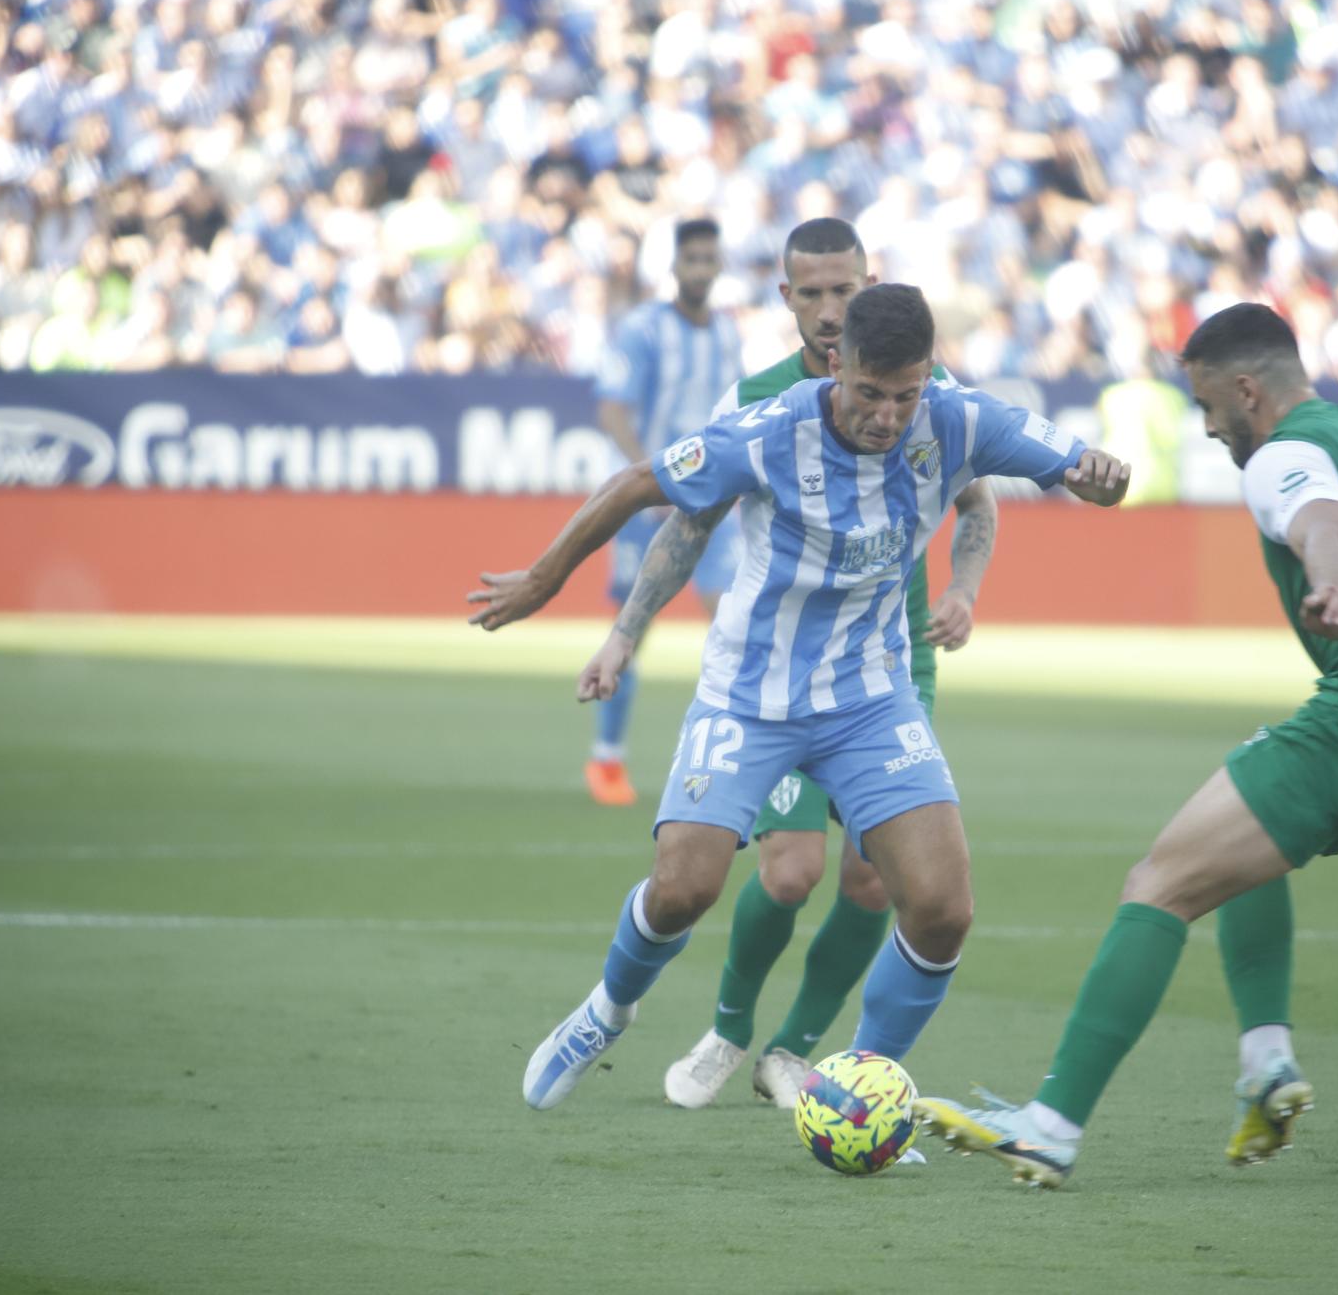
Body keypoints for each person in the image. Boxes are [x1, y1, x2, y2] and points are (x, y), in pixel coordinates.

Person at [467, 283, 1130, 1112]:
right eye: (869, 393)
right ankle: (607, 1009)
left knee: (941, 907)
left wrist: (1100, 476)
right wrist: (542, 578)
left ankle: (860, 1086)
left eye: (906, 395)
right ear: (837, 364)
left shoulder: (961, 418)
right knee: (684, 888)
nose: (888, 416)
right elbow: (640, 483)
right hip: (750, 696)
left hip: (872, 701)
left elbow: (1084, 468)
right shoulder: (772, 429)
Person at [914, 301, 1338, 1187]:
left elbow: (1327, 528)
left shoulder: (1283, 455)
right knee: (1243, 841)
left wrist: (1336, 585)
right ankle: (1267, 1062)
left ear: (1245, 389)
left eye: (1207, 406)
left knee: (1158, 884)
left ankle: (1050, 1124)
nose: (1208, 426)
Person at [589, 218, 1001, 1113]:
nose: (826, 310)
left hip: (890, 664)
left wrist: (964, 587)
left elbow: (979, 504)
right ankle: (730, 1029)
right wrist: (626, 630)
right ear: (786, 297)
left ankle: (794, 1050)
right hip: (779, 673)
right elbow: (689, 516)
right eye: (809, 293)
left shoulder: (929, 390)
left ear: (869, 288)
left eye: (843, 291)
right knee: (789, 872)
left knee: (870, 878)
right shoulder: (759, 397)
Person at [585, 217, 745, 806]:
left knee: (734, 623)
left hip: (713, 503)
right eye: (692, 259)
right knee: (634, 623)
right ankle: (607, 758)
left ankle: (744, 758)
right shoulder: (643, 331)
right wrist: (647, 478)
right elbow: (613, 411)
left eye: (710, 258)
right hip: (648, 503)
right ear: (674, 266)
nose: (701, 269)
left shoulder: (728, 335)